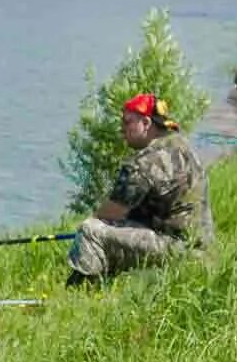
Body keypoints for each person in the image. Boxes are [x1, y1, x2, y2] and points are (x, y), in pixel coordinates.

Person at [68, 94, 215, 285]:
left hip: (177, 249)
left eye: (127, 122)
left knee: (91, 230)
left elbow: (109, 214)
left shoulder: (144, 163)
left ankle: (82, 291)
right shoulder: (183, 147)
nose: (122, 129)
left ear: (146, 123)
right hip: (202, 250)